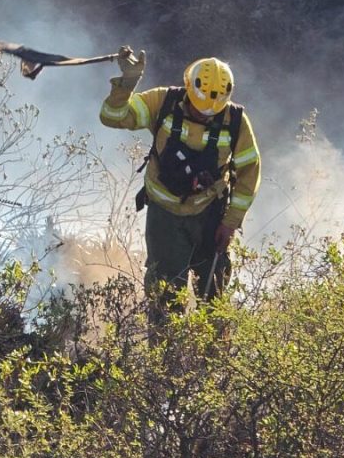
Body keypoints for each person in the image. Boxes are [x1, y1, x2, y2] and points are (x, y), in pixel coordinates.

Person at [100, 46, 261, 321]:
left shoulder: (235, 122)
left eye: (211, 113)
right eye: (199, 110)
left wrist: (230, 222)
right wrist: (127, 83)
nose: (204, 116)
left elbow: (249, 172)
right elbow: (112, 117)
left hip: (210, 217)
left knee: (214, 297)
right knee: (164, 299)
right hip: (165, 219)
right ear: (188, 88)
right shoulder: (162, 102)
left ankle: (213, 348)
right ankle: (165, 347)